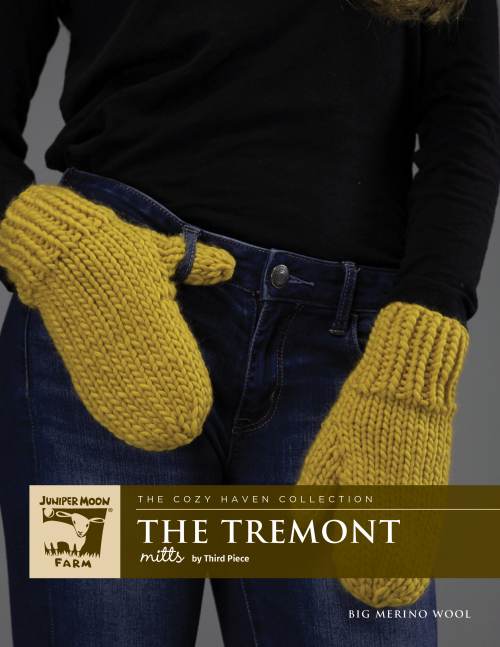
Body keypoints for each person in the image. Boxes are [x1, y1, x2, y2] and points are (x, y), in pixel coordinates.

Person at [0, 0, 499, 645]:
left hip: (352, 360)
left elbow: (466, 117)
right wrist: (55, 245)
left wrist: (414, 361)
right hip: (106, 318)